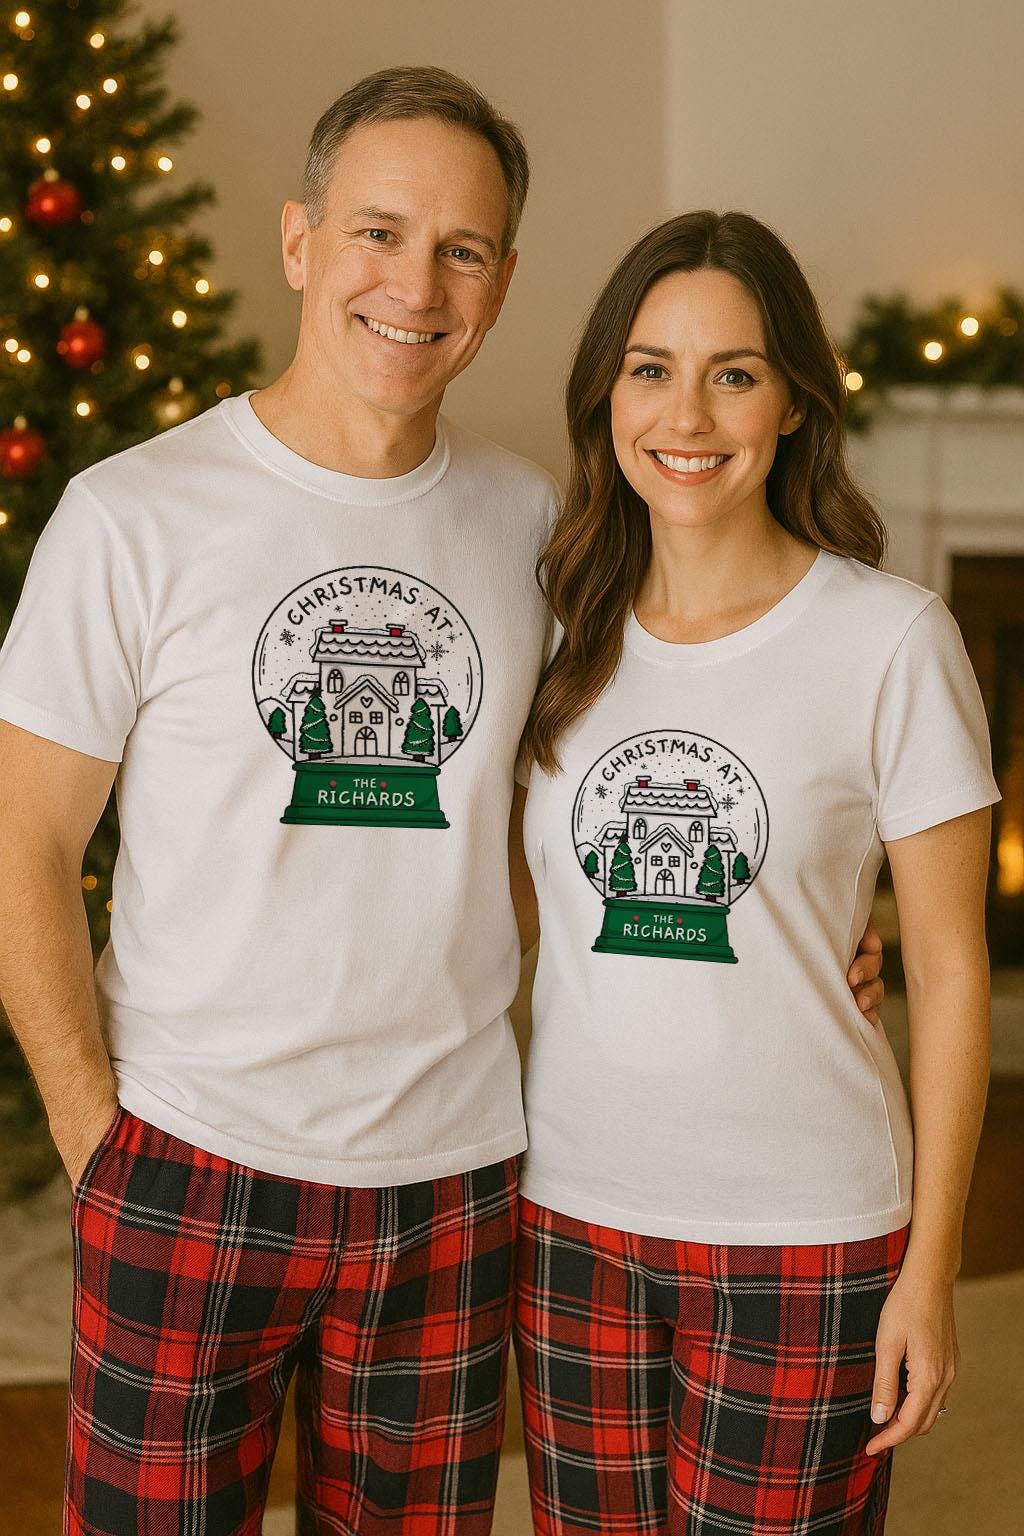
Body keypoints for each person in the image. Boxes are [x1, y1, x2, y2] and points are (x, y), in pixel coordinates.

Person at [0, 70, 883, 1532]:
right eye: (378, 233)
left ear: (503, 281)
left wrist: (835, 928)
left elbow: (672, 755)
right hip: (187, 1158)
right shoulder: (132, 515)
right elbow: (23, 842)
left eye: (461, 249)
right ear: (299, 242)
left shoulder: (541, 523)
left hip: (459, 1186)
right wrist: (100, 1142)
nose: (415, 283)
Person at [513, 211, 998, 1536]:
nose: (688, 411)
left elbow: (953, 970)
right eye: (650, 366)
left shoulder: (891, 637)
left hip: (807, 1231)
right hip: (570, 1219)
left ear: (792, 403)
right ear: (607, 390)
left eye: (735, 371)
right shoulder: (556, 626)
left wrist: (932, 1267)